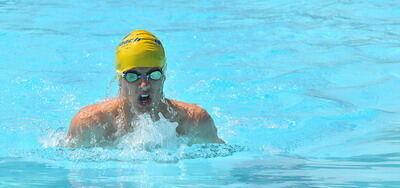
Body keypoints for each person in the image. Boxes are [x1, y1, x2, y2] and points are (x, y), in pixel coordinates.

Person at [67, 30, 224, 147]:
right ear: (120, 79)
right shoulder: (90, 124)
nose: (144, 85)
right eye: (133, 75)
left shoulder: (194, 122)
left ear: (163, 76)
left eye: (153, 74)